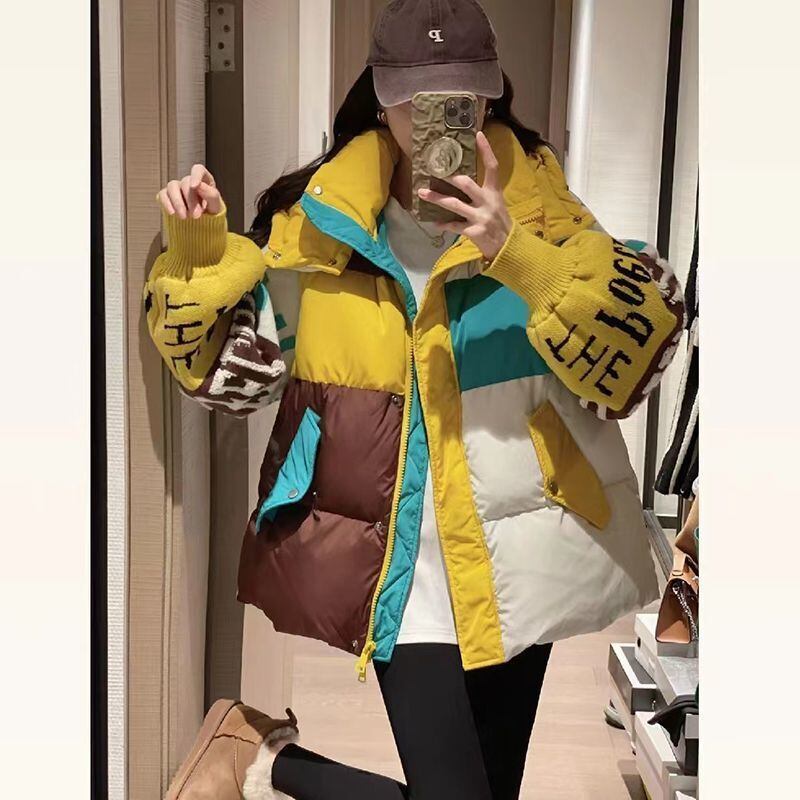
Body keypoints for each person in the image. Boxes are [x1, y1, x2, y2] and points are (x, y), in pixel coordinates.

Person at [147, 2, 685, 798]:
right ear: (381, 98)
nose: (436, 116)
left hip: (517, 550)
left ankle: (257, 761)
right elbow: (235, 381)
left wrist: (515, 252)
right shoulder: (321, 225)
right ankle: (265, 765)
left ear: (491, 94)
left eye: (460, 95)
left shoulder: (545, 211)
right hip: (397, 559)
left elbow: (637, 357)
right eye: (415, 99)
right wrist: (199, 252)